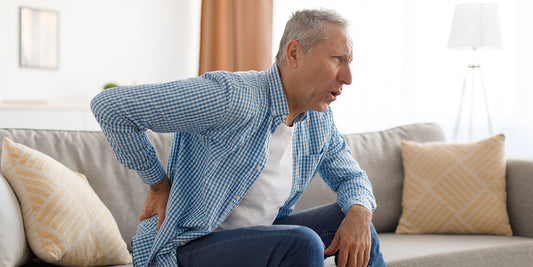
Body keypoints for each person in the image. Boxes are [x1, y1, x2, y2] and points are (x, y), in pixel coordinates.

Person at [91, 8, 385, 267]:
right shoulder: (231, 97)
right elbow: (111, 107)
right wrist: (156, 184)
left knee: (357, 222)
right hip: (184, 248)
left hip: (256, 239)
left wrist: (360, 212)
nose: (348, 77)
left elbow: (352, 178)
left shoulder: (318, 119)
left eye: (350, 63)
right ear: (294, 53)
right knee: (303, 242)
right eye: (338, 60)